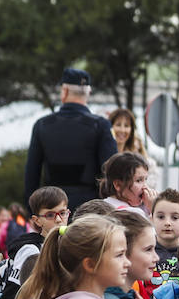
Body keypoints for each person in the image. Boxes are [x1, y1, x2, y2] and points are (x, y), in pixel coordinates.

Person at [24, 68, 118, 210]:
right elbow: (111, 172)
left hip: (51, 208)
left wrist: (33, 212)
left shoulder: (42, 125)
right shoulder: (100, 125)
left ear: (65, 91)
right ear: (88, 93)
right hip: (89, 210)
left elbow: (32, 174)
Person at [0, 187, 68, 299]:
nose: (59, 219)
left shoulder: (68, 244)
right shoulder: (30, 249)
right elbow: (14, 289)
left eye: (62, 213)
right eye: (50, 215)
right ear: (37, 220)